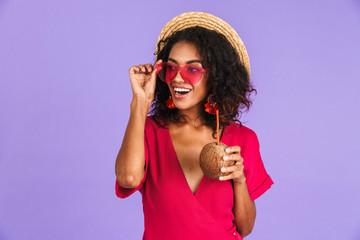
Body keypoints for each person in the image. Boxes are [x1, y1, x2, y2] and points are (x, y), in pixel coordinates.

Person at [115, 12, 274, 240]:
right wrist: (140, 102)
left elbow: (245, 228)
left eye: (192, 69)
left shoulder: (243, 139)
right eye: (171, 68)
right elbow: (128, 179)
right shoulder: (150, 131)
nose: (178, 78)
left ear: (216, 77)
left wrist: (239, 180)